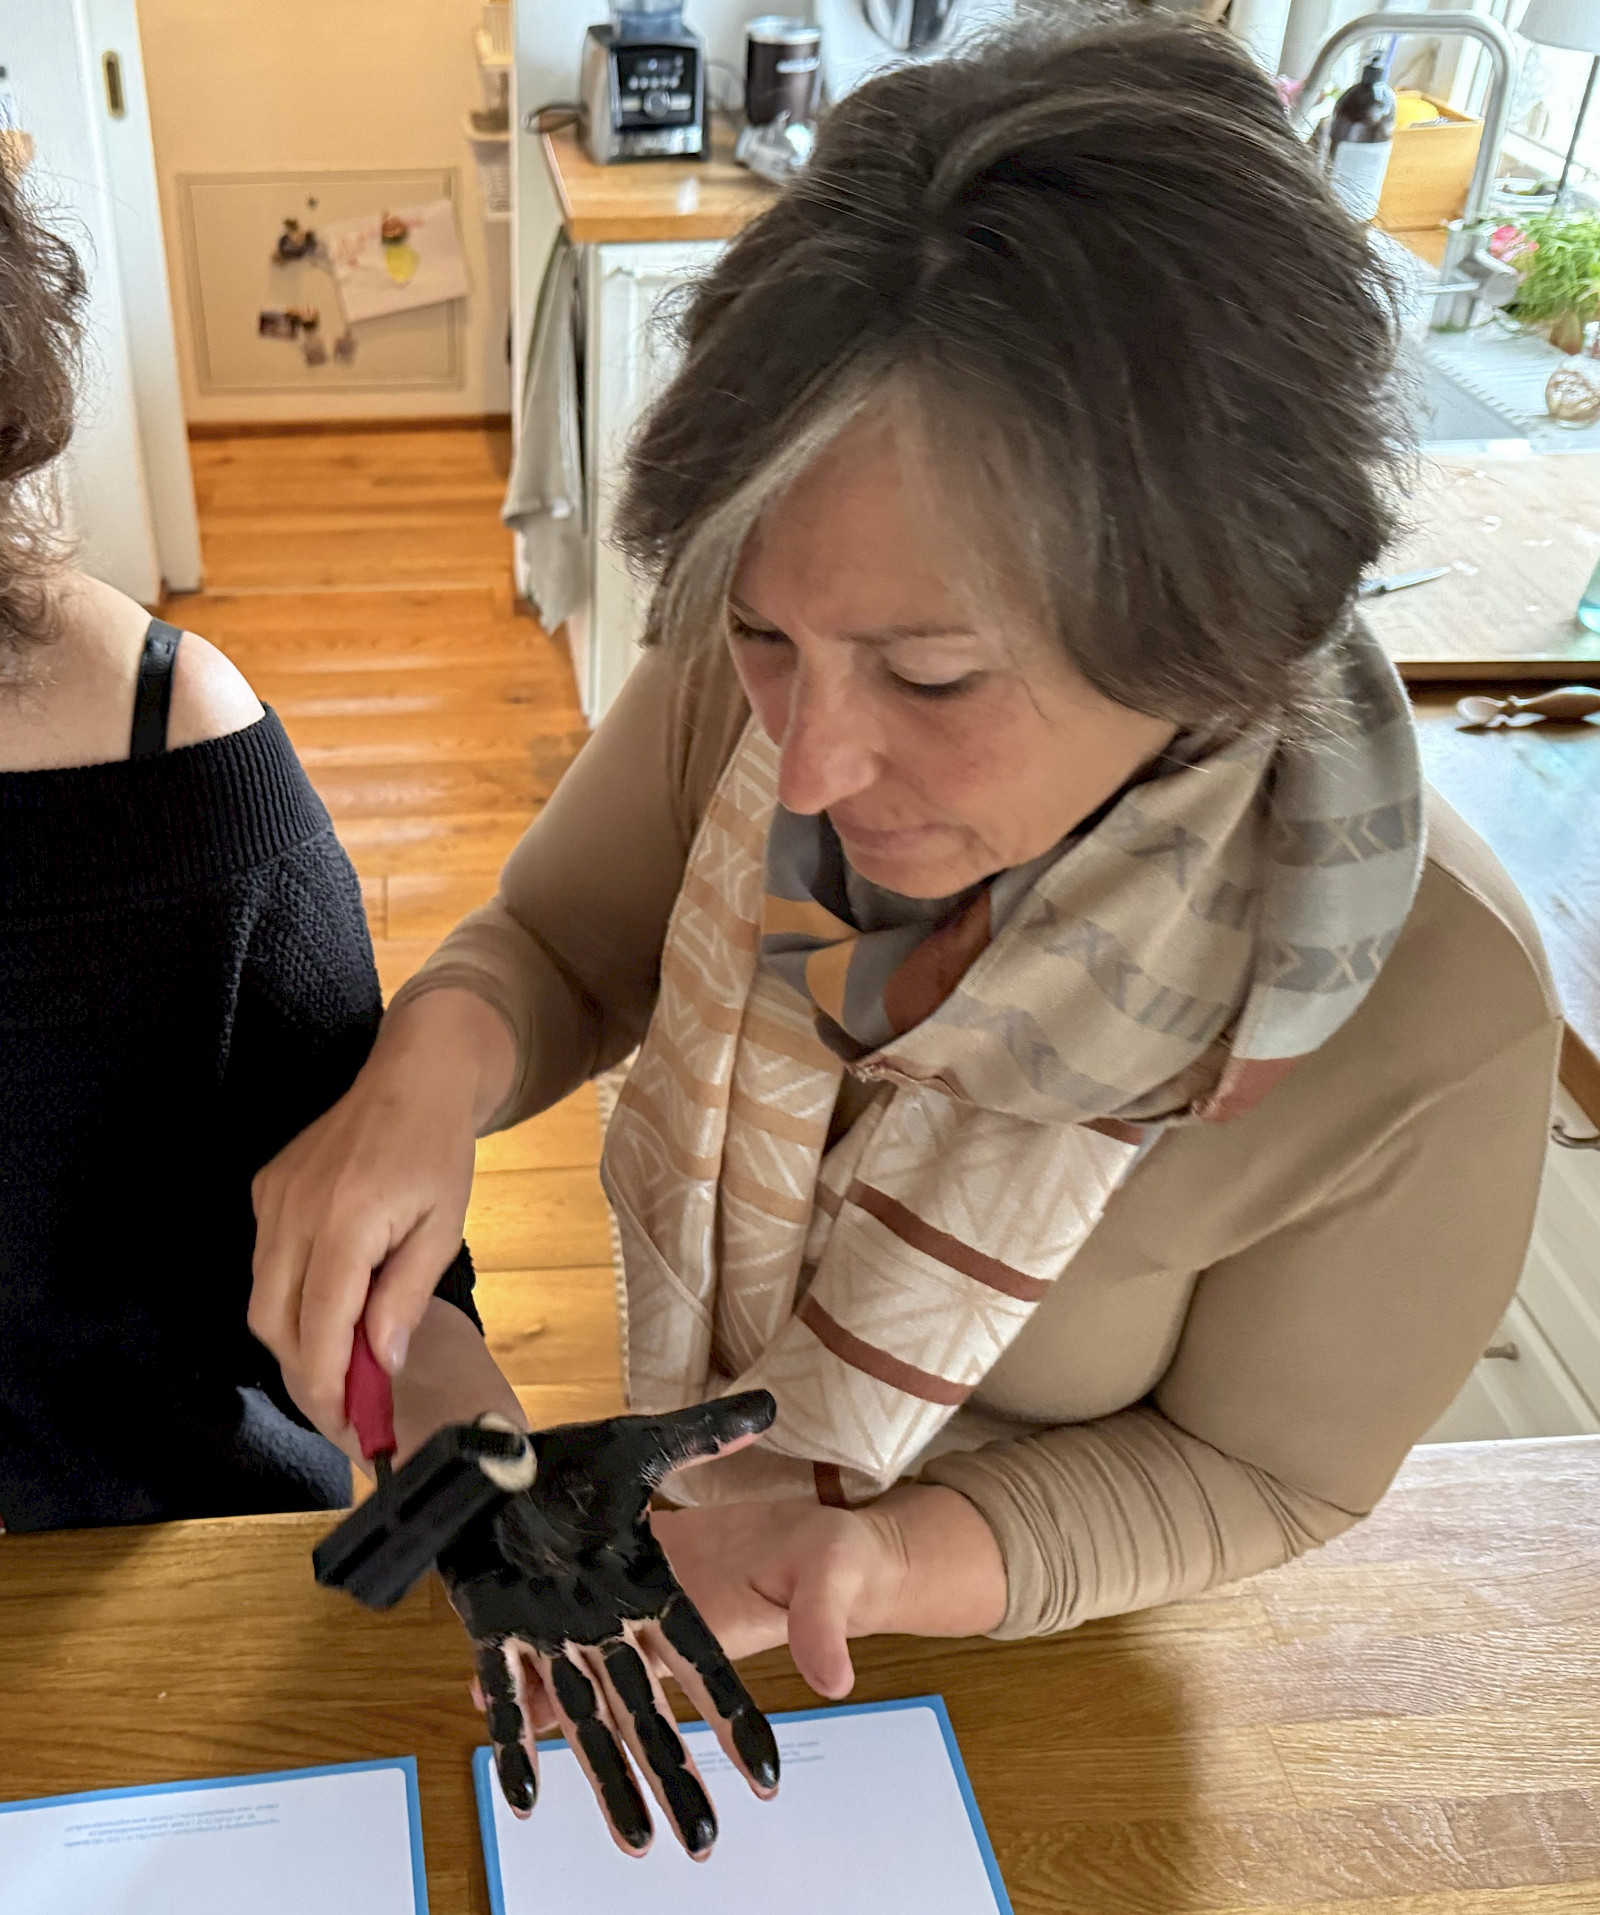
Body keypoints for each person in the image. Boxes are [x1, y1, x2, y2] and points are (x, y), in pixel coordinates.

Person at [251, 10, 1560, 1721]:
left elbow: (1266, 1472)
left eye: (934, 679)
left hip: (1036, 1663)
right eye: (764, 634)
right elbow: (562, 947)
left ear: (1226, 639)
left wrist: (881, 1563)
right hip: (696, 1551)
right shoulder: (778, 655)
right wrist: (423, 1081)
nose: (800, 770)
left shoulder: (1427, 1009)